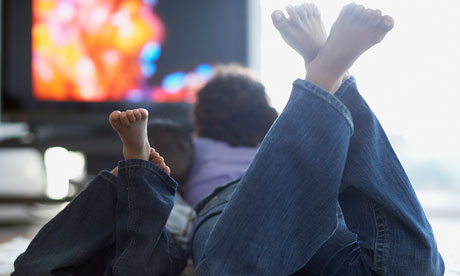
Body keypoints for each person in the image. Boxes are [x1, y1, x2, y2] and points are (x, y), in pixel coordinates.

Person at [191, 3, 444, 276]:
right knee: (413, 268)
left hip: (236, 209)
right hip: (315, 208)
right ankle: (330, 78)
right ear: (266, 115)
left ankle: (323, 76)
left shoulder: (195, 146)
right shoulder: (286, 135)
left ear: (201, 121)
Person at [13, 112, 192, 275]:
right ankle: (140, 177)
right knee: (136, 265)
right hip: (125, 244)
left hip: (139, 241)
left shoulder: (185, 206)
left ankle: (134, 178)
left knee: (34, 268)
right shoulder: (186, 209)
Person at [182, 64, 279, 205]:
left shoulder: (194, 148)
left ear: (202, 114)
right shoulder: (272, 150)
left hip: (215, 214)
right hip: (269, 208)